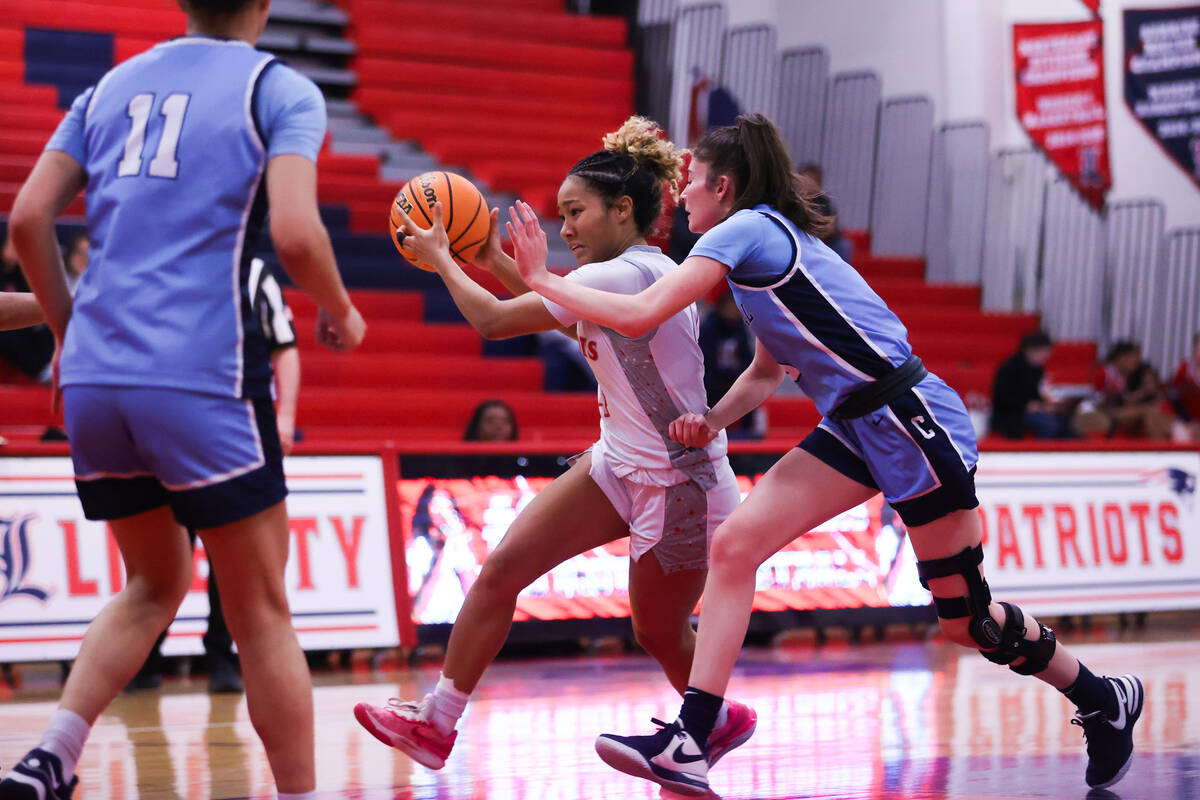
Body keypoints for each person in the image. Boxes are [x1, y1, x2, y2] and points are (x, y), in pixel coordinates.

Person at [507, 113, 1142, 794]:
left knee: (969, 624)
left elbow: (638, 314)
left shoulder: (745, 230)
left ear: (724, 186)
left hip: (910, 420)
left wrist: (541, 276)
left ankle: (1103, 697)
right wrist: (711, 419)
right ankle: (693, 736)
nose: (682, 196)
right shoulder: (761, 249)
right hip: (852, 426)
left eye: (692, 183)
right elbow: (767, 371)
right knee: (737, 545)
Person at [1, 1, 365, 798]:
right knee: (262, 608)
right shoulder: (279, 87)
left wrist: (71, 331)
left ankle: (50, 756)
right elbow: (298, 237)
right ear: (263, 5)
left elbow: (29, 218)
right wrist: (340, 308)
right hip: (199, 373)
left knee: (153, 585)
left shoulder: (108, 87)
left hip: (96, 381)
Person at [353, 117, 754, 772]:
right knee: (501, 571)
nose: (565, 228)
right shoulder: (621, 276)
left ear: (623, 210)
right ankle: (437, 721)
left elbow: (492, 322)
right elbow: (578, 329)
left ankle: (717, 717)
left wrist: (444, 258)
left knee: (656, 631)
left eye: (576, 213)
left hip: (681, 485)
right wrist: (491, 259)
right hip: (620, 463)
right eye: (561, 213)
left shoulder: (624, 277)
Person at [126, 256, 302, 694]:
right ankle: (147, 658)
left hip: (233, 427)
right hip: (173, 420)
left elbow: (286, 345)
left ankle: (221, 655)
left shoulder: (254, 270)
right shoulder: (167, 264)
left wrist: (286, 416)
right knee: (166, 558)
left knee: (235, 560)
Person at [989, 330, 1100, 439]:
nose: (1046, 356)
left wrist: (1047, 405)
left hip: (1035, 409)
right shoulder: (1009, 368)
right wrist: (1028, 405)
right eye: (1044, 352)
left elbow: (1036, 394)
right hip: (1012, 413)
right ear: (1030, 350)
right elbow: (1002, 398)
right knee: (1049, 424)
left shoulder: (1038, 369)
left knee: (1066, 422)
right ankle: (1041, 453)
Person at [699, 291, 760, 438]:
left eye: (735, 308)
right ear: (720, 308)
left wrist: (737, 377)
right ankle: (704, 429)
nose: (732, 311)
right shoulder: (709, 326)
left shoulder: (740, 328)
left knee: (750, 388)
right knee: (706, 386)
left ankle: (748, 432)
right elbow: (705, 358)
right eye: (729, 307)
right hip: (712, 377)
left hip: (734, 376)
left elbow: (747, 357)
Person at [1100, 341, 1177, 441]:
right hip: (1107, 412)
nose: (1136, 362)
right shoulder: (1105, 374)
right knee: (1148, 411)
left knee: (1156, 414)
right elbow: (1102, 399)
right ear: (1121, 357)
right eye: (1133, 358)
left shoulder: (1127, 376)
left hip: (1125, 411)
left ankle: (1169, 444)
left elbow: (1128, 399)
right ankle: (1161, 449)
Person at [797, 163, 852, 264]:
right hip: (802, 240)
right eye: (807, 180)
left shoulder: (824, 201)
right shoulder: (794, 201)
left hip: (824, 240)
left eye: (814, 180)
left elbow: (831, 226)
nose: (811, 184)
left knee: (844, 245)